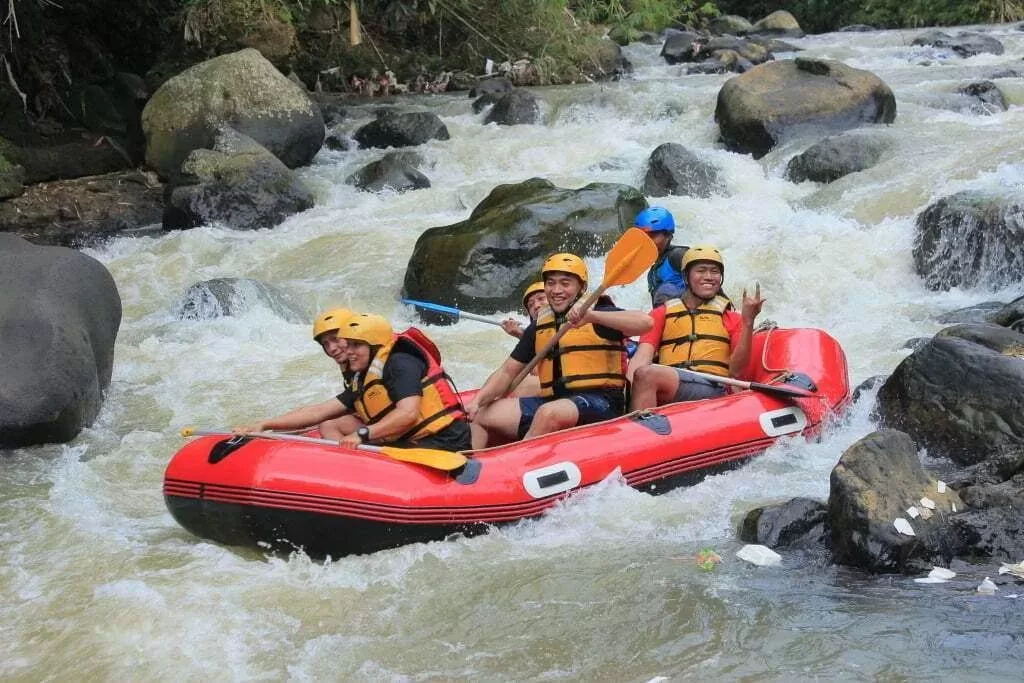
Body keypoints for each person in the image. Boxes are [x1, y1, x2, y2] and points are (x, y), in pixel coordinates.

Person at [467, 253, 652, 447]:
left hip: (601, 402)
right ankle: (473, 471)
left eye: (565, 283)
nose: (556, 290)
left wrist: (592, 317)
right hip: (554, 400)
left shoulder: (597, 313)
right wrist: (478, 400)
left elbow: (645, 323)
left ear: (581, 287)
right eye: (551, 283)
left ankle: (518, 469)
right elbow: (507, 371)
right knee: (481, 414)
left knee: (549, 413)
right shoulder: (539, 325)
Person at [627, 246, 765, 410]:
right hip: (672, 383)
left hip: (714, 387)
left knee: (647, 375)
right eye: (701, 271)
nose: (709, 277)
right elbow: (642, 356)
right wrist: (629, 386)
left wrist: (748, 322)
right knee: (643, 374)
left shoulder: (731, 317)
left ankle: (644, 432)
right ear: (686, 276)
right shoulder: (662, 314)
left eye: (714, 271)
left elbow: (736, 371)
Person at [330, 313, 471, 452]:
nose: (348, 352)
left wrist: (361, 434)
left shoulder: (401, 364)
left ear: (374, 346)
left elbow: (408, 413)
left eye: (356, 345)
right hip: (410, 439)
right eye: (348, 345)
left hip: (445, 441)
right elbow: (321, 410)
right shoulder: (365, 376)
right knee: (328, 424)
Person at [234, 308, 365, 439]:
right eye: (326, 344)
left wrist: (265, 424)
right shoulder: (353, 368)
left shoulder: (369, 369)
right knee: (299, 417)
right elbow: (317, 411)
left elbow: (318, 412)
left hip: (380, 432)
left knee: (328, 425)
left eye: (335, 339)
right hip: (370, 421)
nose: (332, 348)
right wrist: (263, 425)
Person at [634, 206, 689, 306]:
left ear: (668, 235)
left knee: (667, 290)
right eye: (642, 236)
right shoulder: (654, 269)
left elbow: (708, 285)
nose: (646, 241)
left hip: (687, 317)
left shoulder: (679, 256)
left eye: (652, 236)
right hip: (666, 317)